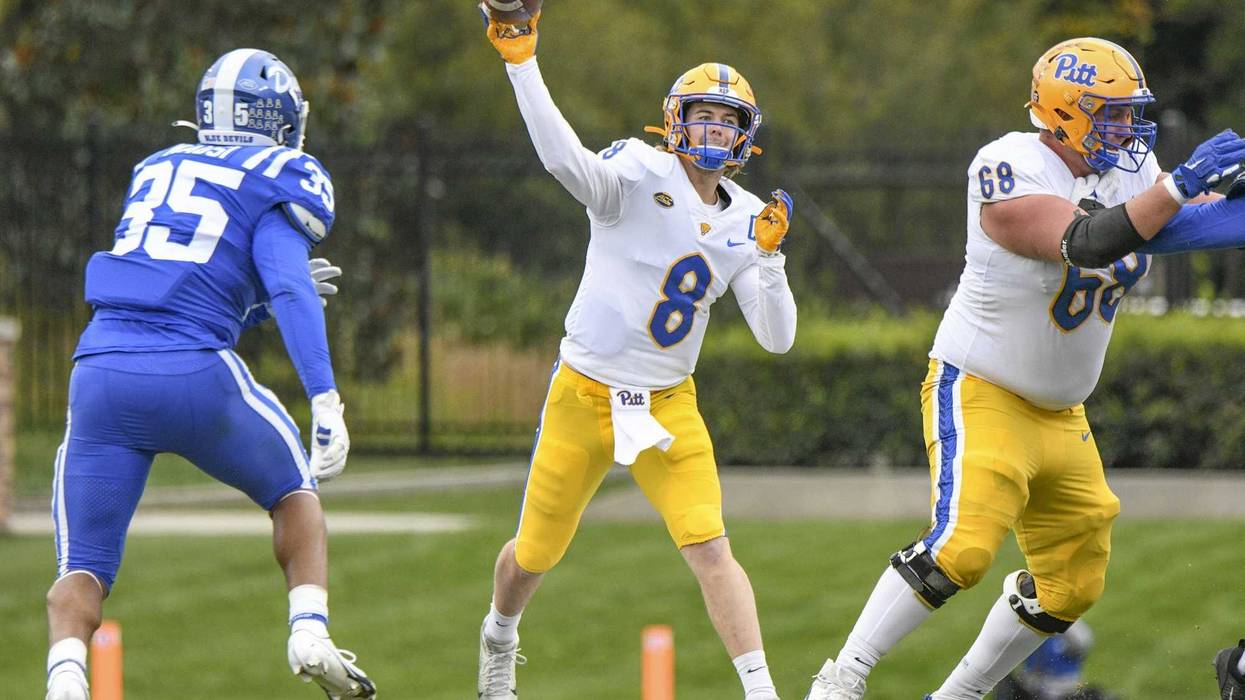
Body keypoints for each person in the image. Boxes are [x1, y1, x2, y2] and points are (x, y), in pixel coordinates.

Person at [803, 37, 1245, 700]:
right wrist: (1180, 187)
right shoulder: (1007, 164)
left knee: (1073, 582)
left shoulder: (1131, 170)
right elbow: (1087, 239)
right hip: (984, 386)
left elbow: (1166, 227)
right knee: (962, 549)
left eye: (1132, 114)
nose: (1128, 129)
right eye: (1113, 114)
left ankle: (955, 697)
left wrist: (1222, 200)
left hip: (1062, 410)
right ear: (1066, 111)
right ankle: (841, 680)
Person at [476, 7, 798, 700]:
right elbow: (564, 160)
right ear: (674, 121)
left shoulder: (747, 219)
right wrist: (522, 61)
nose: (714, 132)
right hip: (583, 392)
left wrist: (769, 262)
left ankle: (761, 692)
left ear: (744, 137)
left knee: (710, 547)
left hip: (666, 404)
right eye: (703, 117)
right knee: (533, 555)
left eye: (727, 121)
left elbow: (776, 338)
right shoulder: (632, 170)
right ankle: (499, 633)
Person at [43, 48, 375, 700]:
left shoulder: (157, 166)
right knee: (293, 492)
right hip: (193, 372)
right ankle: (309, 631)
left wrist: (248, 302)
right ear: (279, 117)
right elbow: (283, 281)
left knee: (81, 569)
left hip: (101, 372)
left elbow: (174, 284)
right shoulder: (280, 170)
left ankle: (64, 681)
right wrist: (325, 396)